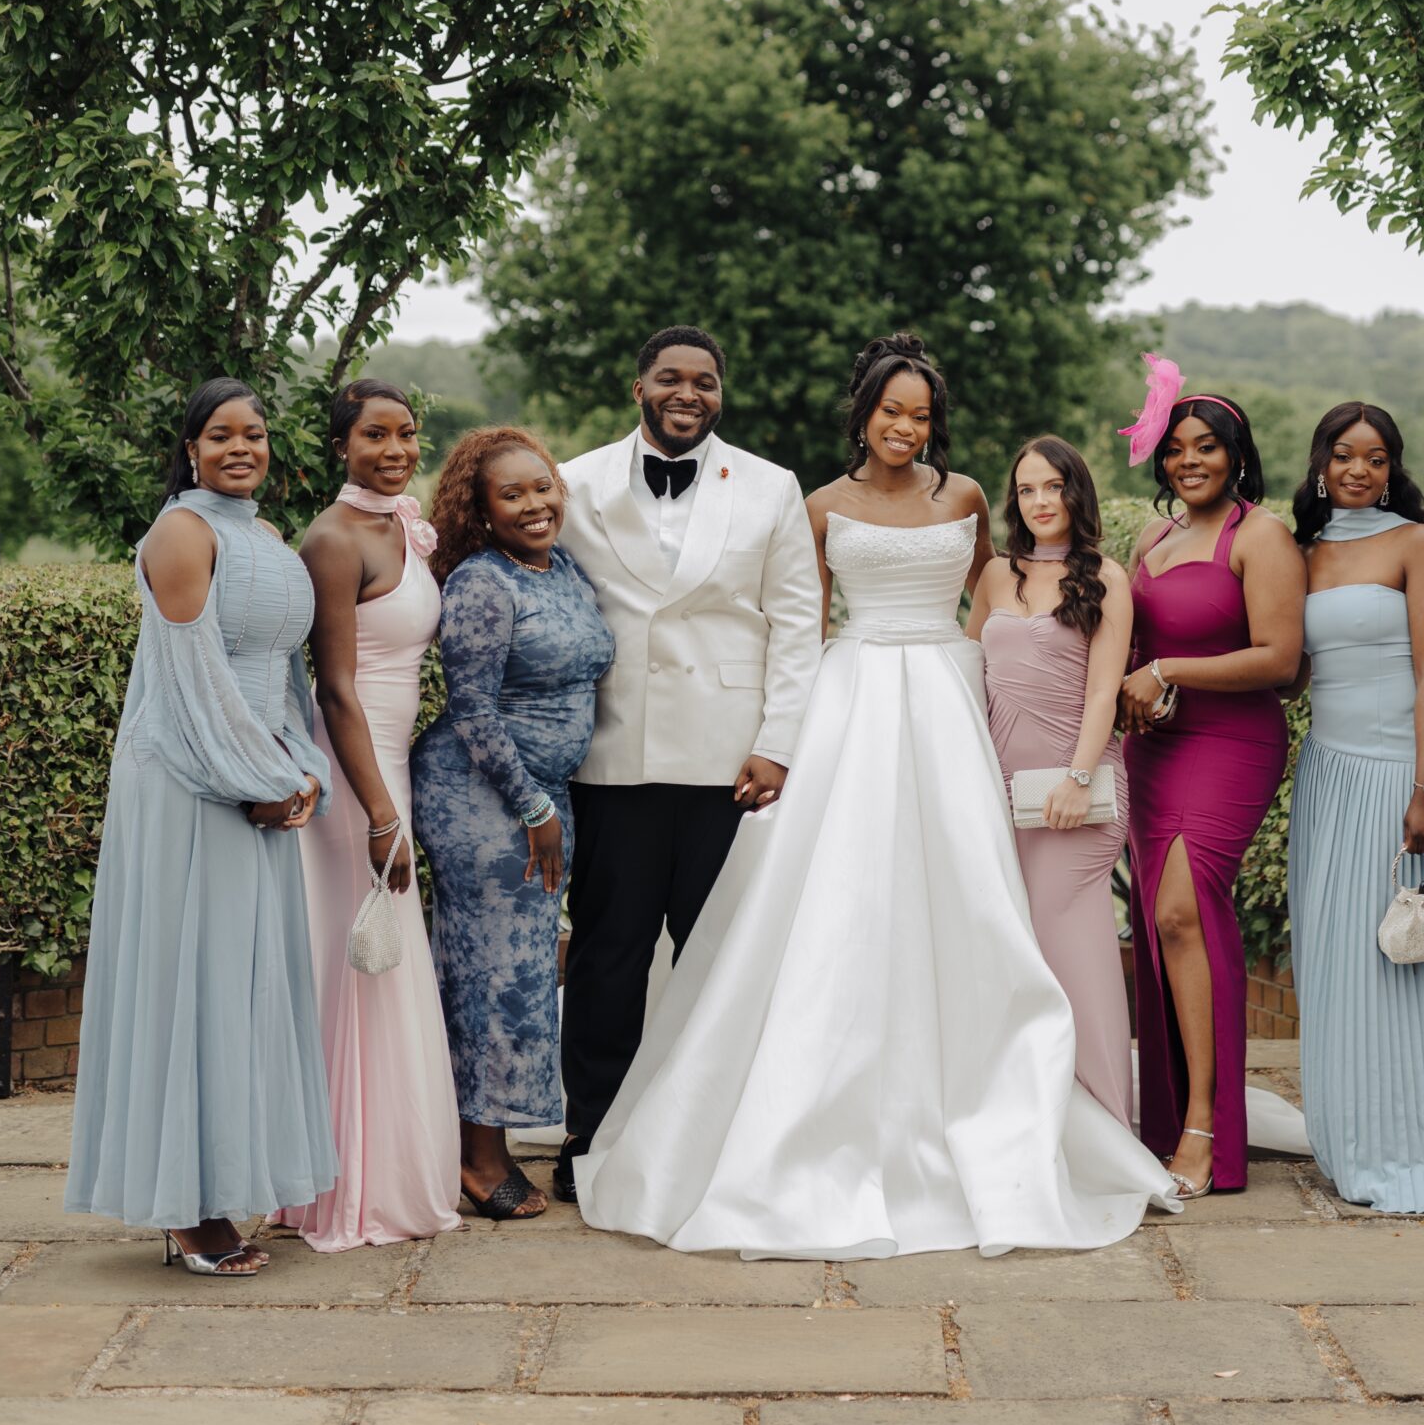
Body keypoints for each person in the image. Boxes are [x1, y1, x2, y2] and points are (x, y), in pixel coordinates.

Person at [576, 333, 1182, 1256]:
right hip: (851, 694)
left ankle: (988, 1092)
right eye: (891, 411)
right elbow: (800, 624)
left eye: (921, 415)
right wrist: (782, 738)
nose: (906, 427)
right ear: (862, 414)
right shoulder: (819, 506)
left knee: (965, 890)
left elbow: (997, 606)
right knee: (838, 893)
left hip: (945, 698)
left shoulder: (965, 497)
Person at [65, 379, 336, 1275]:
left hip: (255, 780)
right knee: (191, 981)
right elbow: (191, 680)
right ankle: (186, 1209)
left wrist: (303, 773)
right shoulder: (181, 532)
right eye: (220, 434)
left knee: (241, 988)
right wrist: (261, 779)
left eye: (254, 433)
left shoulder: (267, 536)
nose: (239, 447)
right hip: (188, 780)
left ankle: (224, 1181)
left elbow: (283, 676)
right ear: (191, 449)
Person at [552, 326, 824, 1203]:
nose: (688, 393)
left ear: (720, 394)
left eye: (704, 381)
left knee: (720, 955)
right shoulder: (574, 481)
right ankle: (593, 1130)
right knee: (608, 955)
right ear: (638, 388)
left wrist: (778, 743)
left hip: (730, 760)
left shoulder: (772, 486)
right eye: (670, 378)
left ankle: (717, 1131)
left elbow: (797, 623)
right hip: (613, 749)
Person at [272, 380, 461, 1251]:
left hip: (393, 764)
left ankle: (384, 1172)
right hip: (358, 773)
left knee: (383, 962)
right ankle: (350, 1192)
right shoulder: (333, 538)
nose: (395, 450)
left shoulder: (401, 526)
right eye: (375, 436)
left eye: (406, 433)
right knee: (364, 963)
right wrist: (383, 815)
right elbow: (336, 689)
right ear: (341, 445)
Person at [1286, 404, 1424, 1214]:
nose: (1358, 471)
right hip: (1326, 775)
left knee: (1409, 967)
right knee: (1336, 962)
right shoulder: (1299, 552)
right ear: (1320, 465)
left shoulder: (1415, 542)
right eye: (1343, 456)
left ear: (1392, 468)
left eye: (1374, 458)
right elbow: (1290, 671)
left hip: (1400, 773)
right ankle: (1348, 1137)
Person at [412, 428, 614, 1220]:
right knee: (489, 974)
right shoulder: (481, 582)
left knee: (525, 971)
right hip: (481, 797)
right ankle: (477, 1157)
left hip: (543, 796)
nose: (534, 504)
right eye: (513, 494)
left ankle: (482, 1138)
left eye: (543, 486)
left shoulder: (561, 567)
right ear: (481, 509)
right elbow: (471, 708)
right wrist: (533, 806)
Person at [1118, 373, 1303, 1196]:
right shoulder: (1149, 539)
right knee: (1166, 927)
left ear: (1235, 457)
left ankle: (1203, 1127)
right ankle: (1165, 1122)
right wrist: (1133, 690)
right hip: (1155, 749)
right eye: (1175, 450)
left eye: (1205, 448)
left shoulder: (1259, 537)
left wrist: (1167, 669)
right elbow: (1129, 653)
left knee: (1181, 910)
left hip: (1232, 744)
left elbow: (1279, 659)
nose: (1188, 461)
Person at [971, 436, 1135, 1127]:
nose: (1040, 501)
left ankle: (1108, 1121)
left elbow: (1103, 692)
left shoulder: (1106, 578)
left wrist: (1077, 777)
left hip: (1076, 794)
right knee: (1016, 954)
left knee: (1076, 952)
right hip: (998, 792)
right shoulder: (993, 576)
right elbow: (967, 672)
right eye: (1027, 488)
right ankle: (1029, 1116)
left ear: (1076, 493)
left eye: (1053, 486)